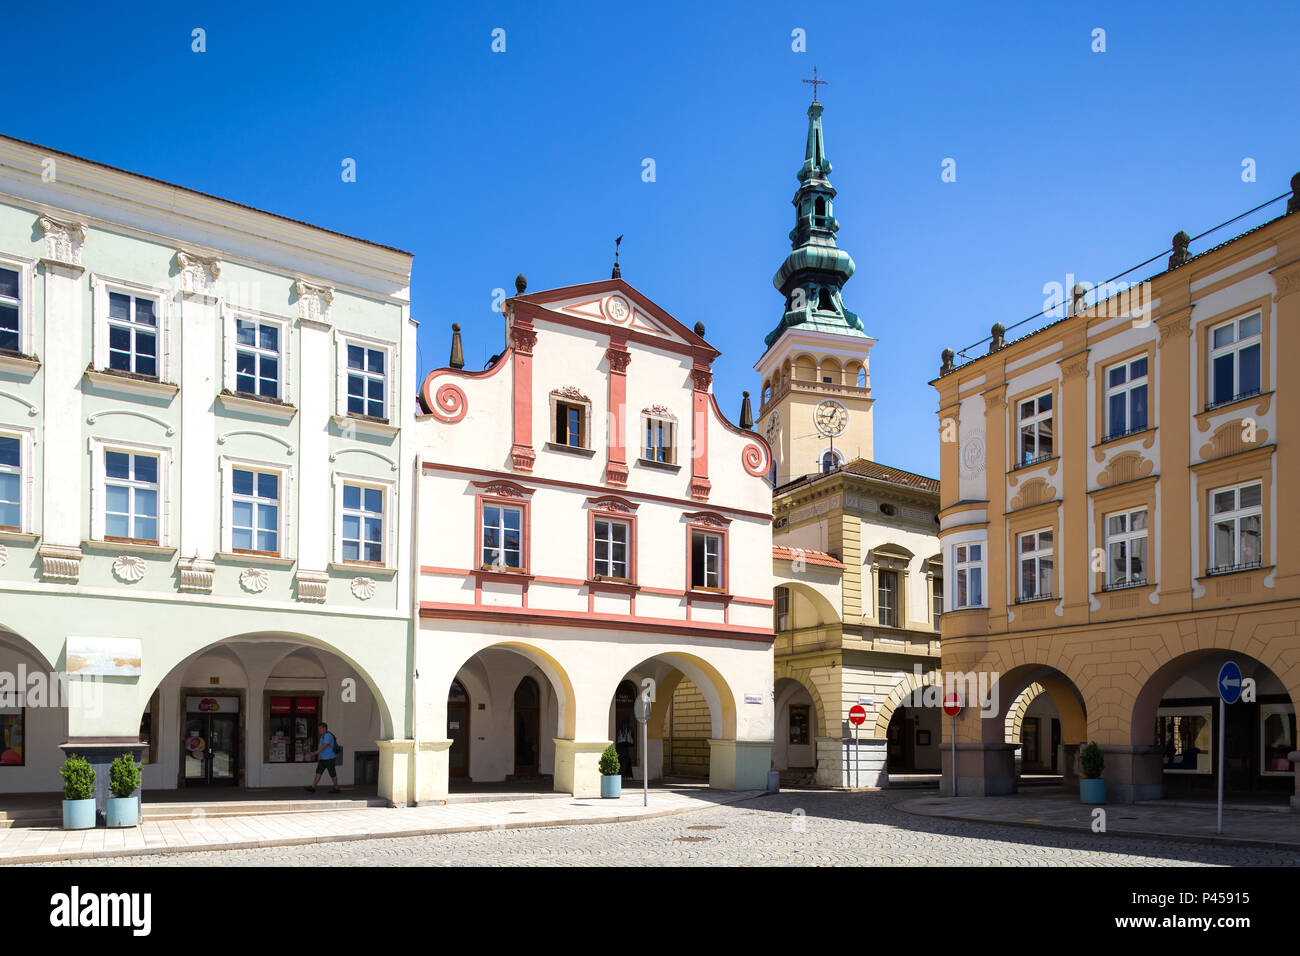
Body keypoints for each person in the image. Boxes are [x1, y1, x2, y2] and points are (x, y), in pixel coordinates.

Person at [303, 722, 341, 794]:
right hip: (323, 758)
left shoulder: (327, 735)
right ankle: (313, 787)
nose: (319, 730)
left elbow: (325, 745)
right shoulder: (323, 736)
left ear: (324, 728)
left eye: (320, 728)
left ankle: (336, 787)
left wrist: (315, 752)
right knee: (318, 772)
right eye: (318, 729)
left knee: (332, 774)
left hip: (329, 758)